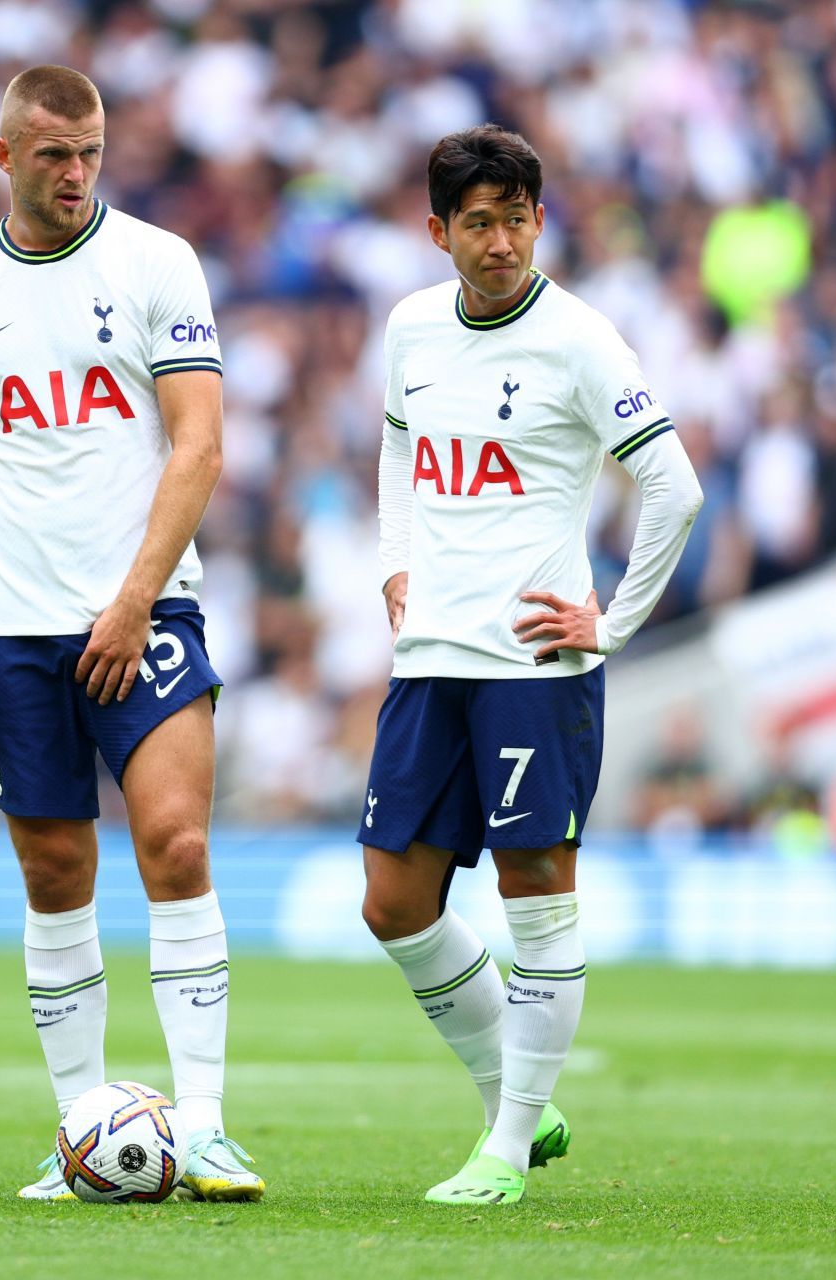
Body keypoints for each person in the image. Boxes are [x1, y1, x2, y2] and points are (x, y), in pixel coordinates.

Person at [0, 65, 261, 1202]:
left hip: (145, 606)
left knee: (177, 843)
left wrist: (135, 597)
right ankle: (80, 1130)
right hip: (9, 623)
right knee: (56, 871)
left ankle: (201, 1126)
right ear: (4, 155)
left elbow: (198, 444)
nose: (76, 174)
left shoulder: (158, 262)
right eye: (54, 155)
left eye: (92, 152)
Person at [361, 125, 704, 1206]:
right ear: (438, 231)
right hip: (430, 657)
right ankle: (520, 1088)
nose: (501, 240)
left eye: (517, 218)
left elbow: (675, 486)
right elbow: (398, 446)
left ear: (539, 221)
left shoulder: (583, 340)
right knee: (392, 901)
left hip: (532, 666)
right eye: (479, 222)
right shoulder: (413, 327)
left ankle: (505, 1146)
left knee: (536, 890)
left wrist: (611, 620)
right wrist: (395, 561)